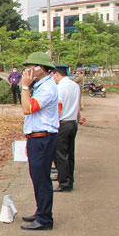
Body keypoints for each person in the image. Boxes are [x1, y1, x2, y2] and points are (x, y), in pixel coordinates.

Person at [19, 52, 60, 231]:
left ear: (40, 68)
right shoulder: (43, 85)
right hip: (38, 138)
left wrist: (25, 88)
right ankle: (41, 211)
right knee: (37, 177)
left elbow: (28, 108)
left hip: (42, 138)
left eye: (30, 67)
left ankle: (45, 219)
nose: (27, 71)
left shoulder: (47, 88)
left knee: (41, 179)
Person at [52, 63, 80, 193]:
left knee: (60, 155)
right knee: (70, 154)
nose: (53, 78)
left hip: (62, 124)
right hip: (73, 123)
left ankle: (64, 183)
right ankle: (70, 179)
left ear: (57, 74)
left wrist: (54, 124)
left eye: (53, 75)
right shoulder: (75, 86)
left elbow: (59, 107)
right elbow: (77, 105)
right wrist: (78, 118)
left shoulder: (59, 88)